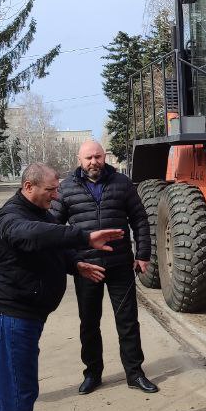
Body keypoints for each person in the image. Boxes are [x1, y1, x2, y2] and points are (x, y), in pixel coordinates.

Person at [0, 163, 122, 411]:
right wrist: (82, 236)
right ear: (29, 187)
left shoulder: (39, 211)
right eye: (50, 190)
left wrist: (75, 265)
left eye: (57, 189)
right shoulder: (10, 217)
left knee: (9, 380)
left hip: (27, 314)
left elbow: (49, 246)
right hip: (13, 314)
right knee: (21, 388)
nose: (56, 197)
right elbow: (34, 236)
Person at [52, 140, 158, 395]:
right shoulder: (66, 189)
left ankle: (135, 373)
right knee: (89, 323)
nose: (94, 162)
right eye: (88, 158)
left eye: (98, 156)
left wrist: (143, 254)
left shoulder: (122, 183)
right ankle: (92, 373)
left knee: (128, 322)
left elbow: (140, 219)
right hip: (87, 267)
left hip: (120, 264)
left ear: (104, 157)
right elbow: (53, 230)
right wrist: (73, 264)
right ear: (79, 159)